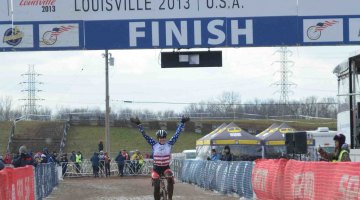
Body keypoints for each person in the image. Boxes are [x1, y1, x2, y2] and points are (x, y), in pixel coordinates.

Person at [131, 116, 190, 200]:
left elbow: (177, 133)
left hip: (166, 168)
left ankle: (170, 198)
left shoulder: (169, 144)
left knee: (170, 178)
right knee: (157, 185)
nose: (162, 139)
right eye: (160, 138)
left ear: (165, 138)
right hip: (156, 169)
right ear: (158, 138)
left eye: (164, 137)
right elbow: (145, 135)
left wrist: (182, 123)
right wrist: (139, 124)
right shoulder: (154, 144)